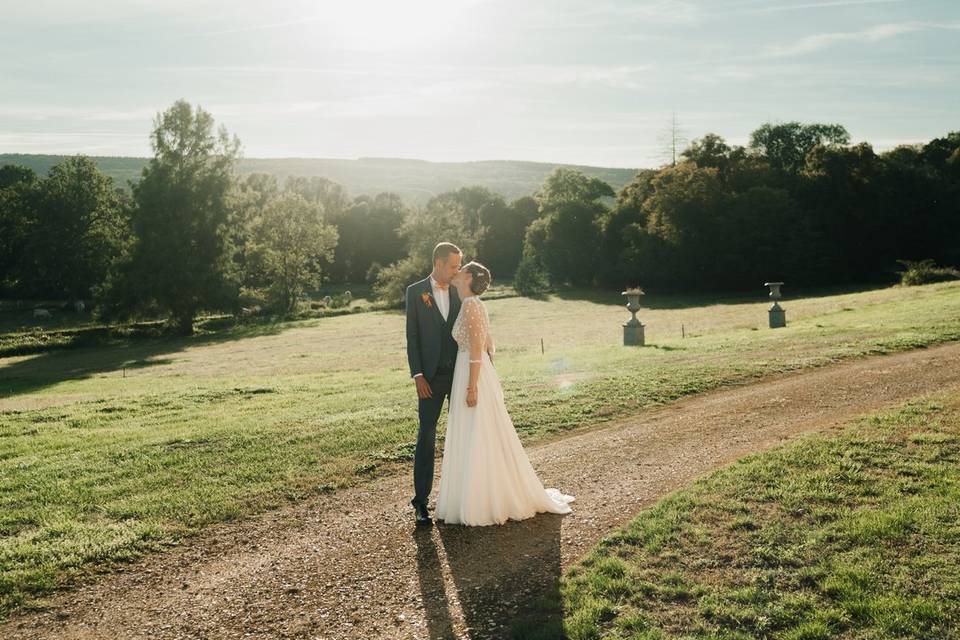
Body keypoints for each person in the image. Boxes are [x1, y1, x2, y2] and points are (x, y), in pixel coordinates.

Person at [434, 260, 574, 526]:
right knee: (474, 431)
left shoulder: (472, 305)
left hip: (471, 372)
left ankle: (487, 501)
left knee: (480, 430)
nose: (457, 271)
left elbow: (478, 348)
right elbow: (488, 345)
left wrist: (473, 386)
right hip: (468, 371)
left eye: (461, 269)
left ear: (469, 277)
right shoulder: (467, 305)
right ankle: (472, 496)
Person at [406, 242, 463, 525]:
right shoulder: (415, 293)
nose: (457, 270)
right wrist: (417, 375)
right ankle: (421, 503)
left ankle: (462, 499)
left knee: (462, 434)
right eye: (453, 266)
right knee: (426, 436)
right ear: (439, 263)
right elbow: (412, 338)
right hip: (428, 379)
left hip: (459, 376)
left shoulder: (460, 290)